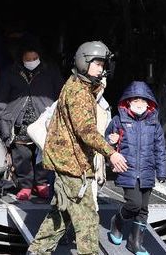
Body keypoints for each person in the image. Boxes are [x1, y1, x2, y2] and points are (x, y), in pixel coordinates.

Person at [28, 41, 128, 255]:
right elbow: (86, 131)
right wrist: (111, 153)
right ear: (84, 62)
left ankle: (37, 251)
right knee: (88, 220)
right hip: (73, 166)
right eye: (97, 64)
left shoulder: (75, 84)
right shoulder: (80, 93)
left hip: (67, 163)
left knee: (60, 215)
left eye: (103, 64)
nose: (101, 69)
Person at [0, 44, 63, 200]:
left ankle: (41, 183)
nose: (31, 61)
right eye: (28, 59)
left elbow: (61, 94)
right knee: (21, 156)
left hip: (43, 122)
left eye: (34, 58)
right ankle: (25, 185)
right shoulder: (10, 73)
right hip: (18, 122)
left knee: (44, 153)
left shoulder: (50, 71)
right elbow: (0, 99)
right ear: (21, 59)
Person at [106, 81, 166, 255]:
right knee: (134, 204)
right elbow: (105, 141)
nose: (139, 104)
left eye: (143, 100)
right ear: (128, 102)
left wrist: (162, 171)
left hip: (147, 171)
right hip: (128, 170)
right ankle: (117, 221)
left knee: (143, 210)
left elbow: (160, 149)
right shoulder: (119, 120)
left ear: (149, 103)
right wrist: (110, 140)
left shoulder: (154, 124)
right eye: (135, 100)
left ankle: (135, 243)